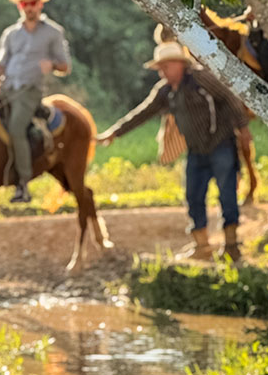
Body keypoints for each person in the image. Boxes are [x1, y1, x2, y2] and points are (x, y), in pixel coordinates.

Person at [96, 41, 252, 261]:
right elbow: (143, 112)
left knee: (227, 193)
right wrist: (115, 132)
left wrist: (243, 128)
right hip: (196, 150)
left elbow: (229, 98)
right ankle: (202, 246)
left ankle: (232, 245)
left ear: (180, 64)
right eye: (160, 68)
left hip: (221, 144)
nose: (163, 72)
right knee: (193, 196)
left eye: (166, 66)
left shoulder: (202, 78)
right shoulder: (165, 91)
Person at [0, 0, 71, 204]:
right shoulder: (11, 34)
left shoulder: (53, 33)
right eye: (25, 4)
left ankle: (23, 184)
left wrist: (51, 65)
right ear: (19, 6)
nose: (30, 7)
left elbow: (65, 66)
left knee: (16, 128)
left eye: (33, 3)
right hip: (6, 87)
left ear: (40, 4)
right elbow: (0, 62)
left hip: (29, 91)